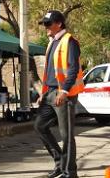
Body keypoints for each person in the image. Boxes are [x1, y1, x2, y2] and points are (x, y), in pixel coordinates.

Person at [34, 10, 84, 178]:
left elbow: (73, 69)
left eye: (48, 24)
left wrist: (64, 91)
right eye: (44, 24)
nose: (45, 27)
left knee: (66, 135)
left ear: (59, 24)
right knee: (40, 126)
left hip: (64, 94)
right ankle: (59, 163)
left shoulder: (70, 41)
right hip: (49, 93)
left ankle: (70, 172)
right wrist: (44, 92)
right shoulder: (52, 42)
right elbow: (49, 72)